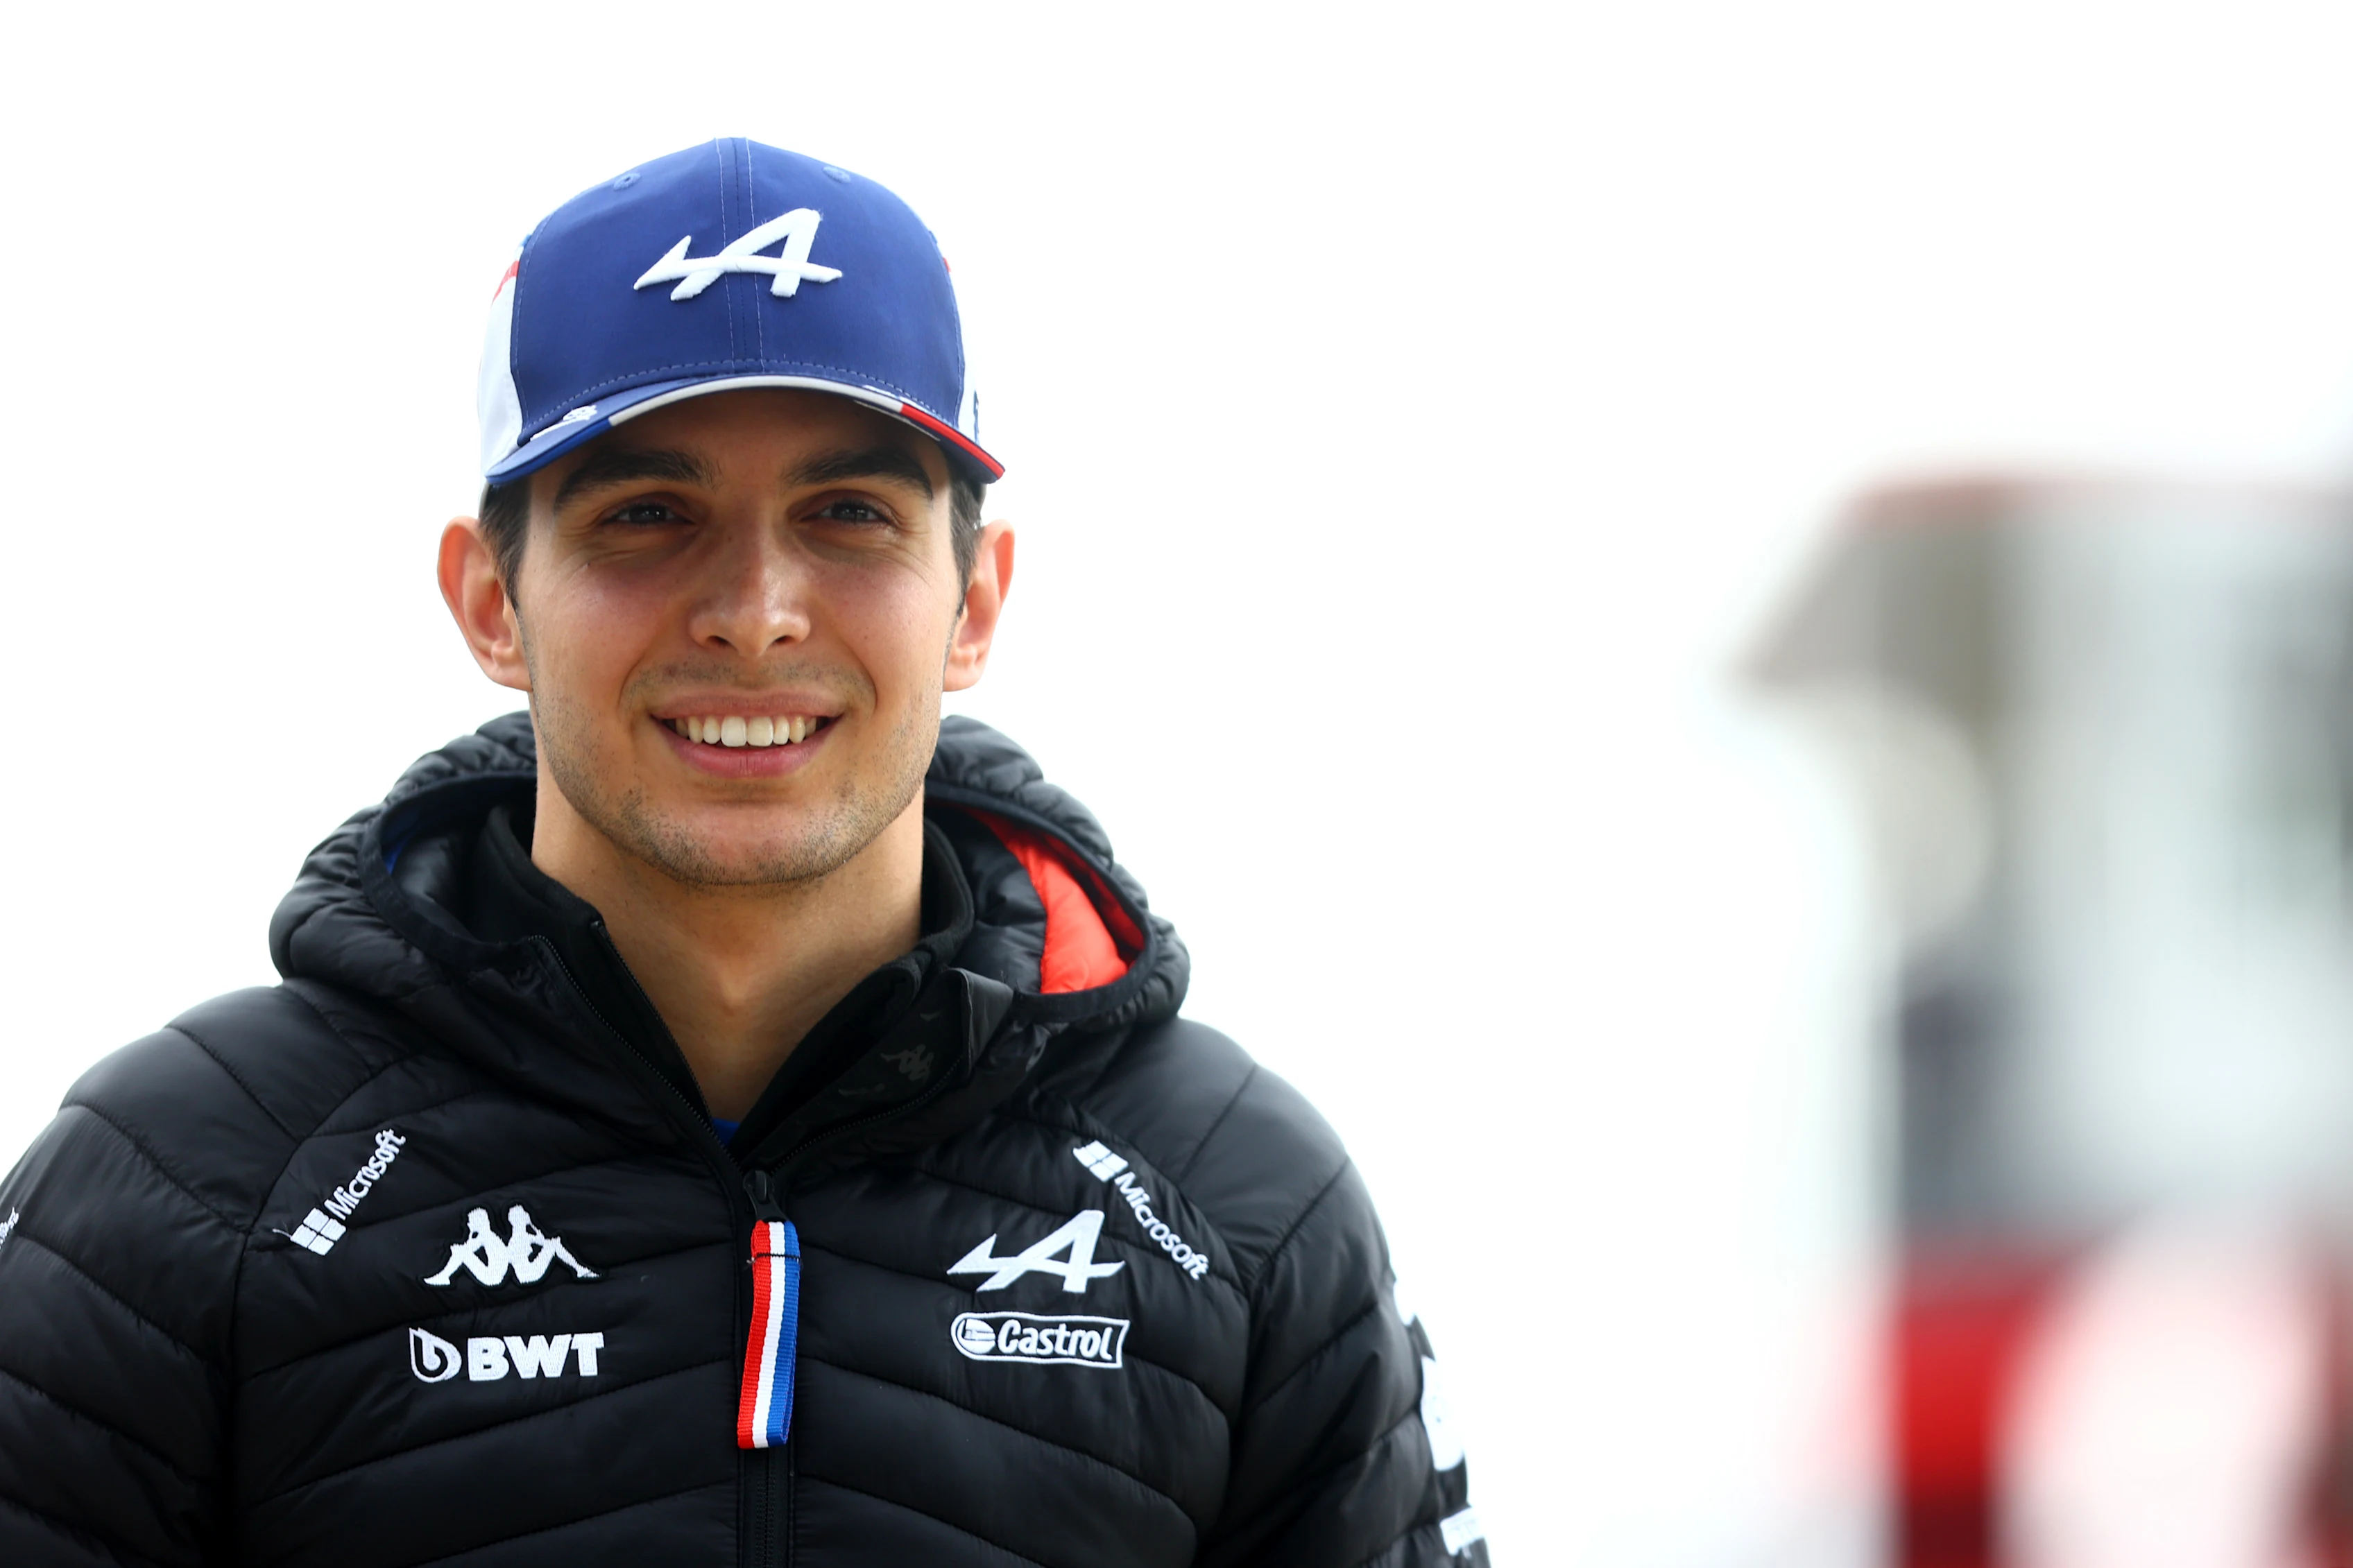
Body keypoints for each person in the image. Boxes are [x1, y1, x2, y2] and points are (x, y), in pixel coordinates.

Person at [0, 139, 1487, 1567]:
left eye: (848, 514)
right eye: (647, 514)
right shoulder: (181, 1181)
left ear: (975, 599)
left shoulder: (1234, 1199)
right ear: (490, 601)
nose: (758, 610)